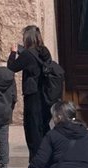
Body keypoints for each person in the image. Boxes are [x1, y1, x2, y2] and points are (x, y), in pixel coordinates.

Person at [7, 25, 54, 157]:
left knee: (32, 128)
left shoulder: (27, 54)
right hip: (45, 94)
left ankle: (37, 160)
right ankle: (48, 158)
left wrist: (13, 53)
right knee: (43, 126)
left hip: (33, 94)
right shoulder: (45, 51)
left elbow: (12, 67)